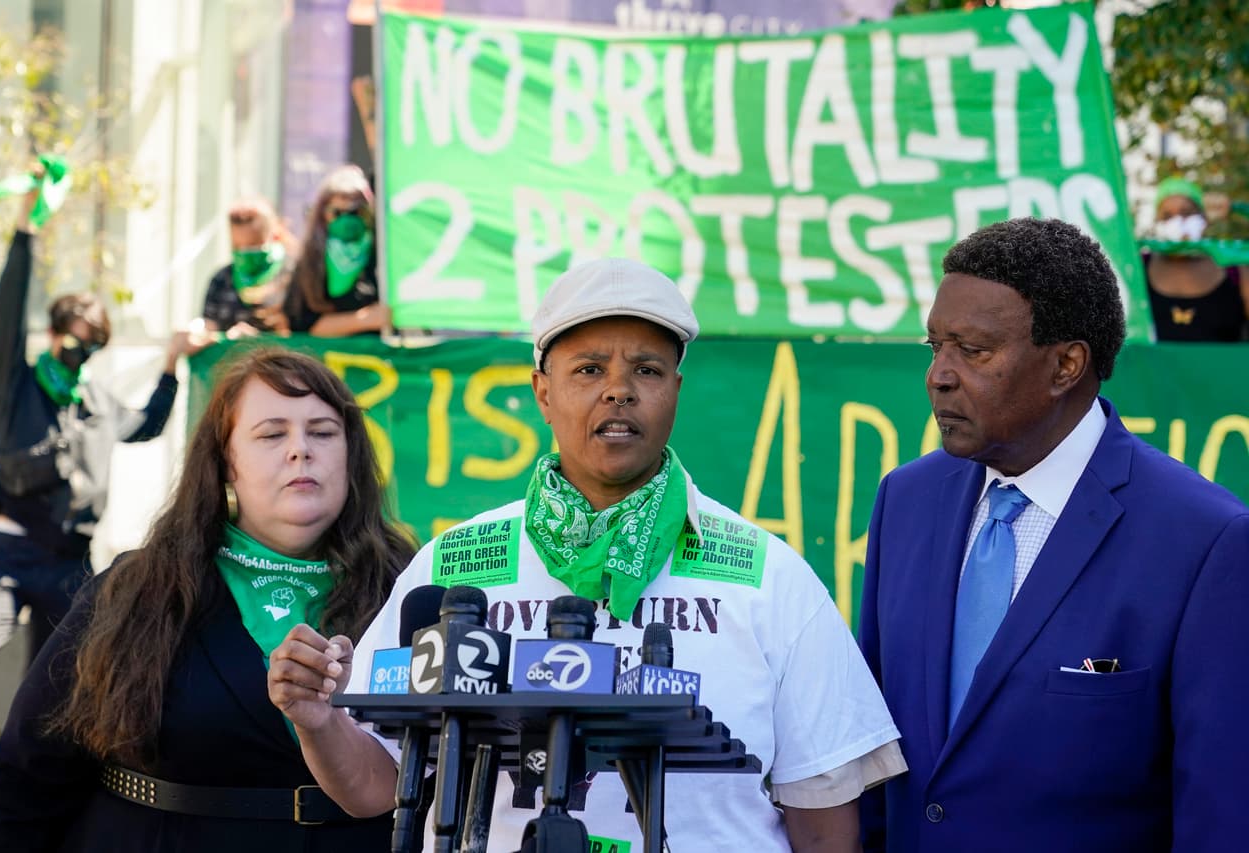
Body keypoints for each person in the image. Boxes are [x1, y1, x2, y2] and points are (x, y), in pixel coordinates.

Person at [269, 257, 907, 852]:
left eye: (647, 370)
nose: (619, 391)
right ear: (542, 393)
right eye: (589, 370)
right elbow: (374, 786)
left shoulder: (768, 574)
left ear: (676, 391)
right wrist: (316, 717)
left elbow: (823, 818)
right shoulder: (454, 564)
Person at [858, 217, 1249, 852]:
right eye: (935, 346)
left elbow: (1220, 814)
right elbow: (872, 753)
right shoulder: (905, 500)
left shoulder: (1206, 541)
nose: (939, 375)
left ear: (1067, 364)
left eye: (973, 350)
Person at [0, 347, 419, 850]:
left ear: (351, 454)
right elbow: (28, 776)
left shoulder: (409, 588)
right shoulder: (141, 589)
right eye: (272, 434)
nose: (300, 449)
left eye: (323, 432)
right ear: (227, 462)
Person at [0, 182, 204, 814]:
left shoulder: (95, 401)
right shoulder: (17, 385)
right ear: (53, 335)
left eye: (91, 347)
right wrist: (26, 232)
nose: (80, 355)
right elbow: (7, 311)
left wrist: (172, 362)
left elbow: (145, 425)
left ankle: (49, 811)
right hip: (11, 552)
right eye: (73, 342)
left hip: (71, 563)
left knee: (71, 689)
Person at [282, 165, 387, 336]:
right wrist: (364, 319)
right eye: (337, 213)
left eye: (356, 212)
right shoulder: (310, 261)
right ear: (322, 215)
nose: (347, 219)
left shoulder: (382, 256)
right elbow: (301, 324)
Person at [1144, 177, 1249, 341]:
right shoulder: (1138, 268)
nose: (1178, 222)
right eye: (1167, 216)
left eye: (1187, 213)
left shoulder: (1234, 270)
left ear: (1204, 218)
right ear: (1157, 221)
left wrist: (1236, 208)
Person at [198, 197, 296, 338]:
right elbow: (209, 326)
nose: (244, 252)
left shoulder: (296, 276)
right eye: (238, 246)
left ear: (274, 236)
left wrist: (260, 339)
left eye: (253, 245)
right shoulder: (222, 279)